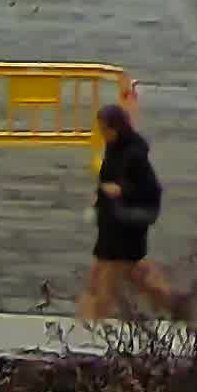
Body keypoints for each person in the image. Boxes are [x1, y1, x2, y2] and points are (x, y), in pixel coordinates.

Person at [79, 95, 185, 322]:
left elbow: (147, 189)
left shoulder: (134, 155)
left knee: (105, 276)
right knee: (130, 273)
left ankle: (90, 324)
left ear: (115, 127)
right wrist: (100, 196)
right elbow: (107, 178)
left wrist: (121, 191)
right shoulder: (114, 147)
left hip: (126, 225)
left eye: (103, 128)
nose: (101, 133)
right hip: (113, 221)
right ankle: (174, 304)